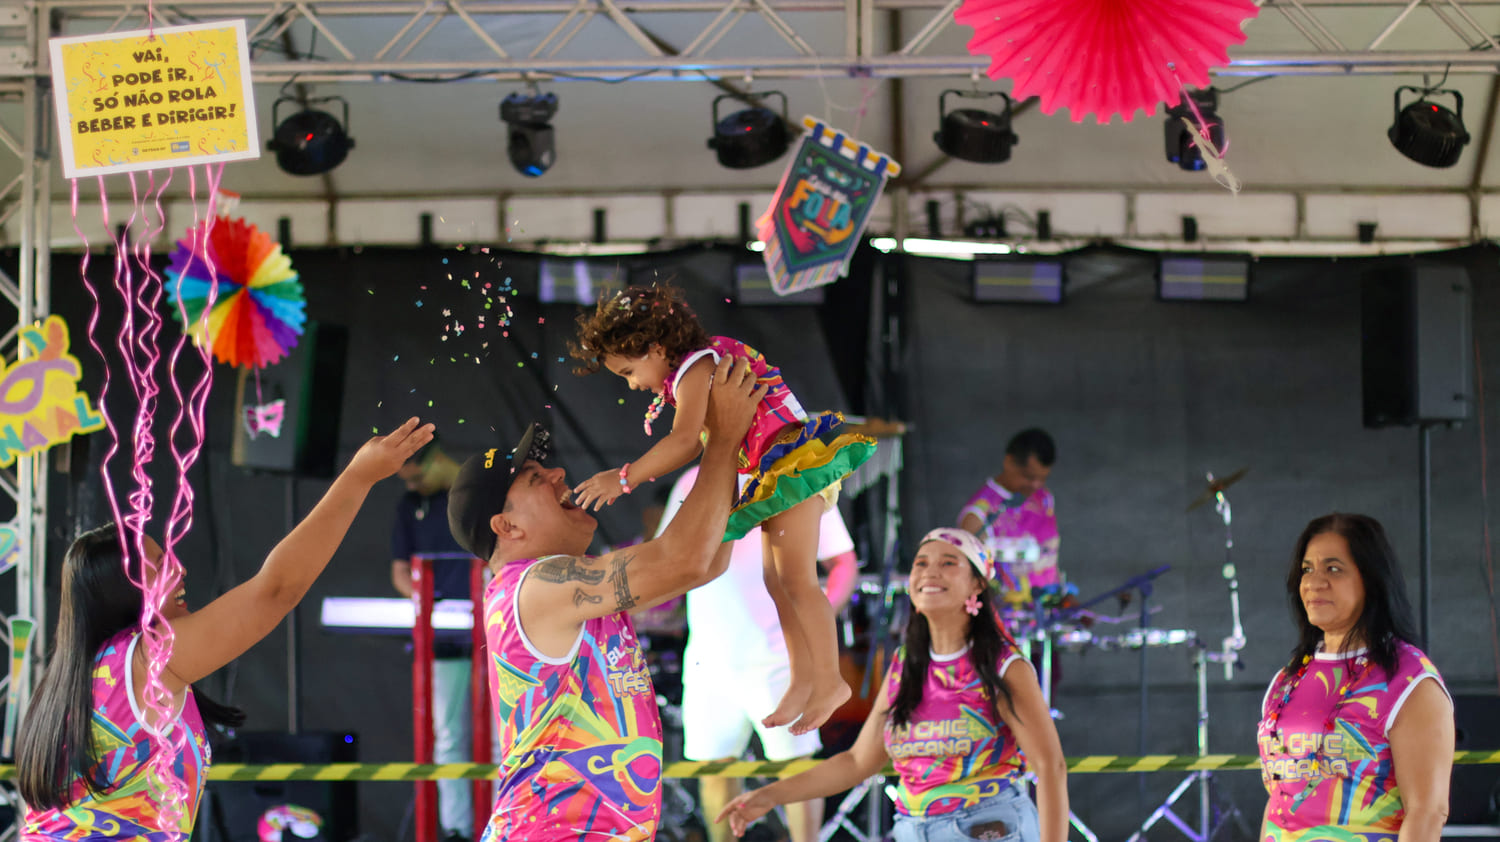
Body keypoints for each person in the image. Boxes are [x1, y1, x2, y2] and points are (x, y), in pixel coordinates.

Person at [17, 418, 434, 841]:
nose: (180, 570)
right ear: (123, 593)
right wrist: (358, 477)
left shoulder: (86, 675)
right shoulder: (146, 658)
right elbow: (275, 591)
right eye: (160, 567)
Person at [446, 355, 763, 842]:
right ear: (507, 527)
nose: (558, 475)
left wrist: (741, 455)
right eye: (537, 479)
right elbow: (685, 561)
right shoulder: (536, 584)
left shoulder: (546, 587)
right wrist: (721, 440)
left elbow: (706, 562)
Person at [569, 283, 875, 735]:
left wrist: (623, 478)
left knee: (796, 580)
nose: (632, 383)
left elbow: (685, 440)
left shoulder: (698, 366)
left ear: (656, 348)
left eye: (629, 371)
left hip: (789, 465)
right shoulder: (694, 370)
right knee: (778, 581)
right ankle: (804, 677)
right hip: (772, 472)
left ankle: (829, 680)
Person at [718, 528, 1069, 842]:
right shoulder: (905, 665)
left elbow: (1050, 767)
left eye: (948, 563)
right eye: (921, 563)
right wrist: (771, 795)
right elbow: (857, 763)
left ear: (978, 584)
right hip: (912, 829)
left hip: (985, 827)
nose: (930, 571)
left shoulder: (1004, 666)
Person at [658, 464, 859, 842]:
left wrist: (816, 626)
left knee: (795, 766)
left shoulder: (792, 471)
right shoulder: (692, 480)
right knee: (714, 770)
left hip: (778, 655)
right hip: (709, 659)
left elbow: (843, 563)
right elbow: (668, 556)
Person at [1258, 513, 1453, 842]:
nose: (1314, 582)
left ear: (1371, 579)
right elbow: (1278, 800)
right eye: (1307, 569)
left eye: (1333, 568)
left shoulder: (1409, 680)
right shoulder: (1287, 679)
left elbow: (1428, 812)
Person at [389, 435, 479, 842]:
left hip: (492, 630)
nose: (411, 485)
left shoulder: (478, 496)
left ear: (439, 459)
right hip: (442, 632)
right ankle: (458, 829)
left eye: (416, 476)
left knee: (501, 735)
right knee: (448, 736)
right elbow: (399, 571)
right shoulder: (410, 506)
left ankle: (504, 824)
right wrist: (426, 598)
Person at [959, 428, 1059, 598]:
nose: (1036, 485)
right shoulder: (978, 515)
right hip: (1007, 619)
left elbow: (1048, 556)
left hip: (1047, 615)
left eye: (1042, 478)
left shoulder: (1044, 498)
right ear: (1009, 462)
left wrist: (1063, 596)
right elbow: (974, 582)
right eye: (1029, 477)